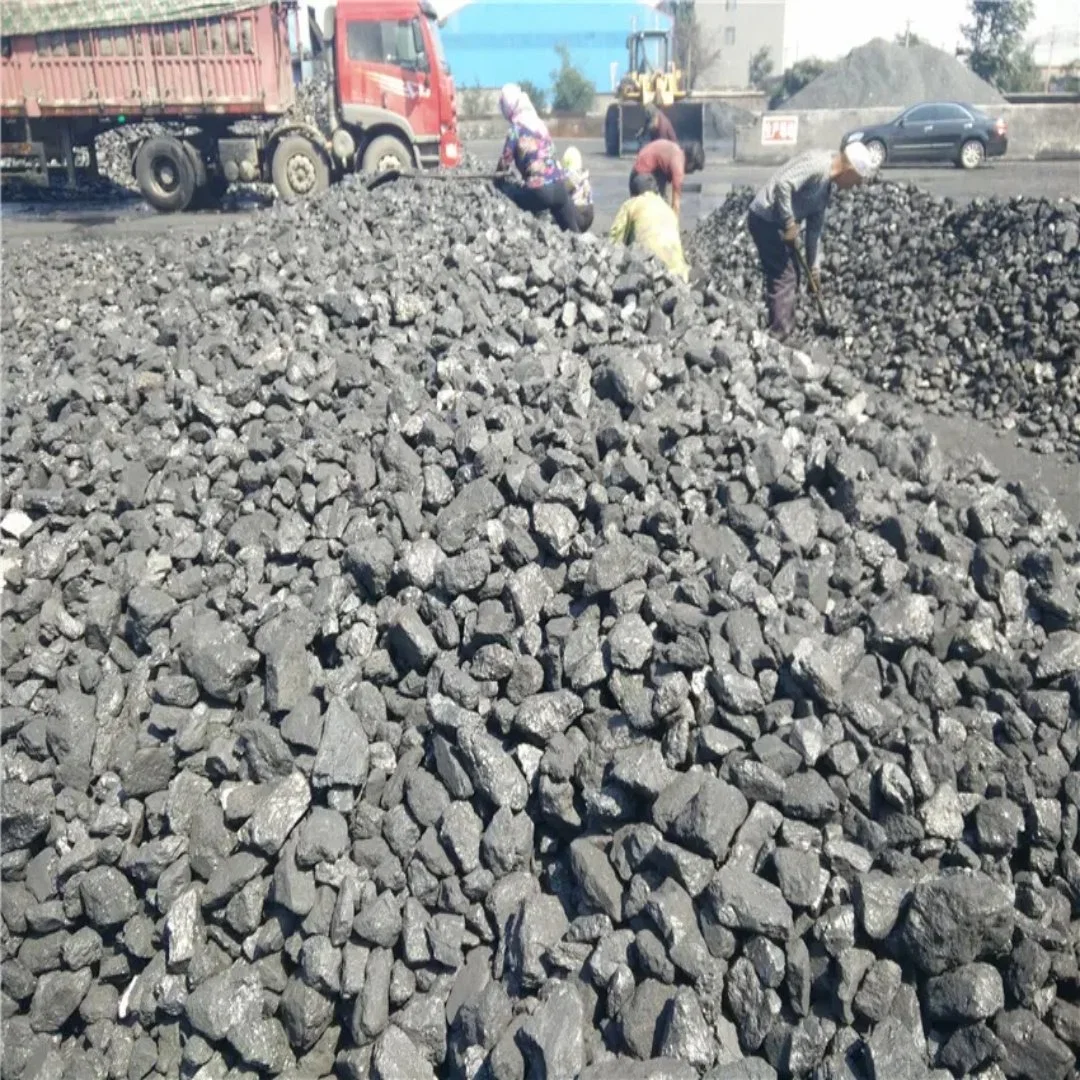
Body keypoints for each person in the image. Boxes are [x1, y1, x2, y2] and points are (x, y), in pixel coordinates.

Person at [746, 142, 875, 340]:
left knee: (793, 272)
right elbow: (784, 184)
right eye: (856, 181)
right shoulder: (818, 165)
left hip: (777, 223)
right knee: (785, 275)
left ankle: (781, 324)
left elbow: (813, 231)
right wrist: (789, 222)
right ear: (849, 169)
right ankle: (779, 335)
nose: (854, 187)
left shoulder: (824, 193)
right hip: (765, 217)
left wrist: (814, 269)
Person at [494, 83, 579, 233]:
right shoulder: (540, 125)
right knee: (574, 235)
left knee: (508, 192)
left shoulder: (516, 129)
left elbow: (504, 163)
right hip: (560, 188)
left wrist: (496, 182)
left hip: (540, 192)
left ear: (509, 106)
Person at [609, 172, 690, 283]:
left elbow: (615, 236)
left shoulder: (631, 204)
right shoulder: (667, 208)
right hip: (678, 274)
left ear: (633, 194)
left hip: (648, 270)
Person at [630, 138, 704, 219]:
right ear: (691, 162)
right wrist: (674, 228)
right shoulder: (678, 164)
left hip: (635, 175)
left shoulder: (674, 152)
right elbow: (676, 204)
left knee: (639, 214)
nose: (692, 172)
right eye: (694, 168)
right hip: (643, 179)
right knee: (655, 214)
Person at [561, 146, 594, 232]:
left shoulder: (569, 176)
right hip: (589, 212)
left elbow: (562, 191)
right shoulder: (584, 175)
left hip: (577, 212)